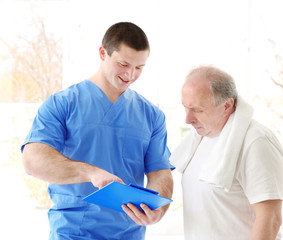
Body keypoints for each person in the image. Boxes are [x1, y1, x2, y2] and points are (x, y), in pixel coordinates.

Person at [21, 22, 173, 240]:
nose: (130, 74)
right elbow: (32, 160)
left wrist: (158, 210)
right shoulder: (62, 104)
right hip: (73, 233)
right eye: (123, 64)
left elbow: (160, 172)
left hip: (130, 234)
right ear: (103, 53)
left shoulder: (151, 115)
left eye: (139, 68)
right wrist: (91, 173)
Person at [170, 65, 283, 240]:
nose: (188, 119)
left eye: (197, 110)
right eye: (185, 107)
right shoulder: (199, 138)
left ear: (227, 105)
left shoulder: (256, 141)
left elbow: (270, 219)